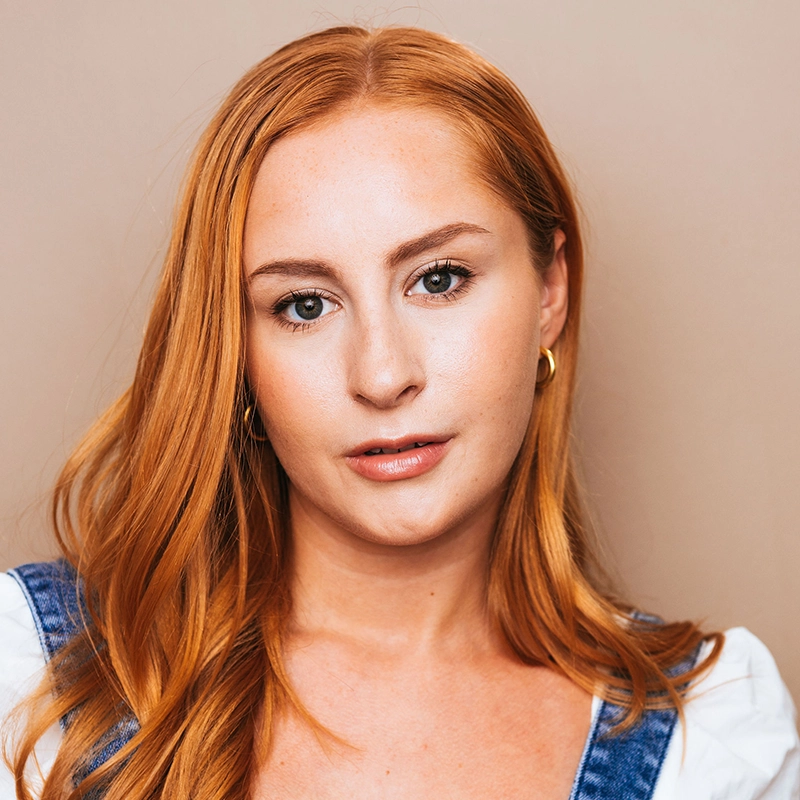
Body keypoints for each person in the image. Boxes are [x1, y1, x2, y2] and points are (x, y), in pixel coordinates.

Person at [0, 24, 797, 800]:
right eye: (305, 304)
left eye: (439, 279)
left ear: (550, 292)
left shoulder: (712, 733)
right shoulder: (31, 677)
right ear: (235, 351)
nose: (382, 375)